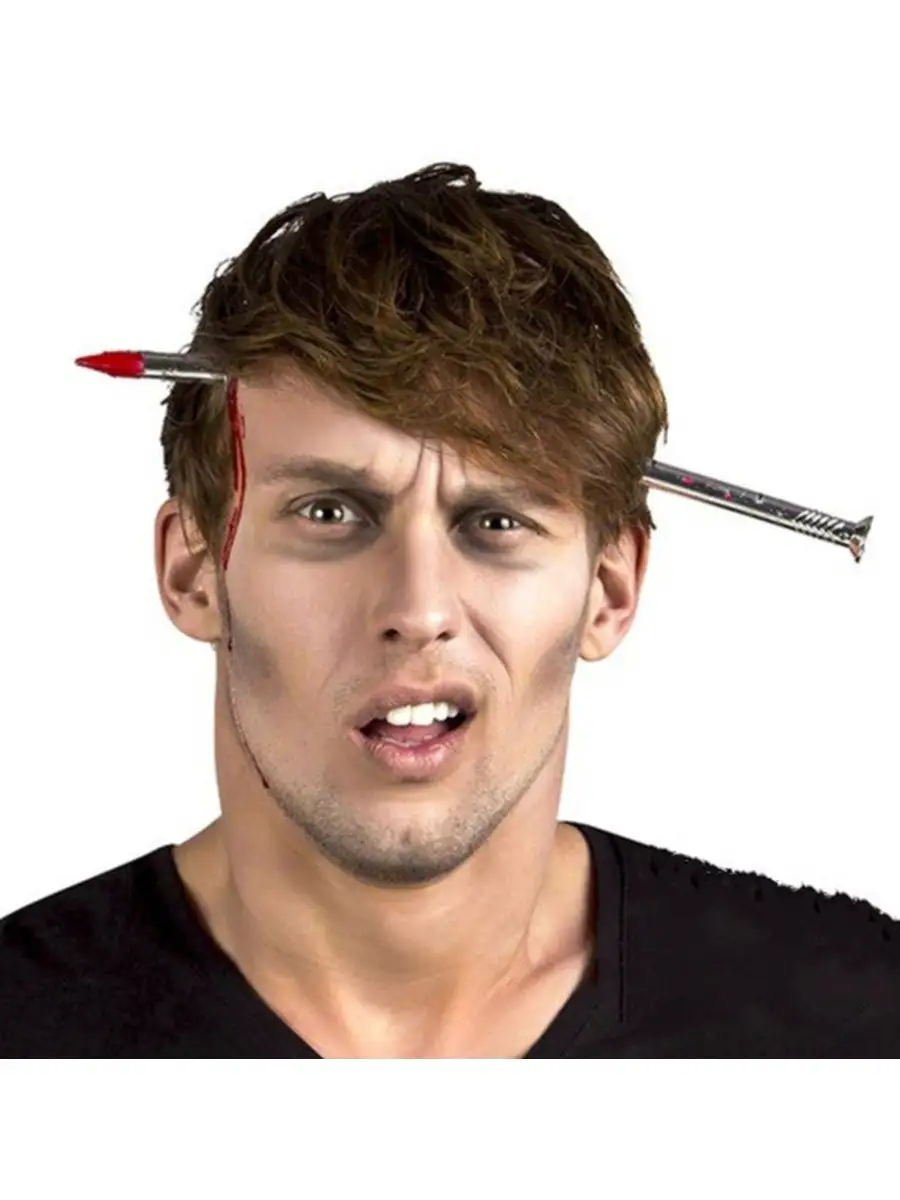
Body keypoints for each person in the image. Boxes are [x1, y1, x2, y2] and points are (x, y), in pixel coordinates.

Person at [1, 162, 897, 1058]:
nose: (418, 608)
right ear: (194, 572)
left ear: (610, 589)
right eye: (330, 513)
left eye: (497, 522)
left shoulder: (855, 1021)